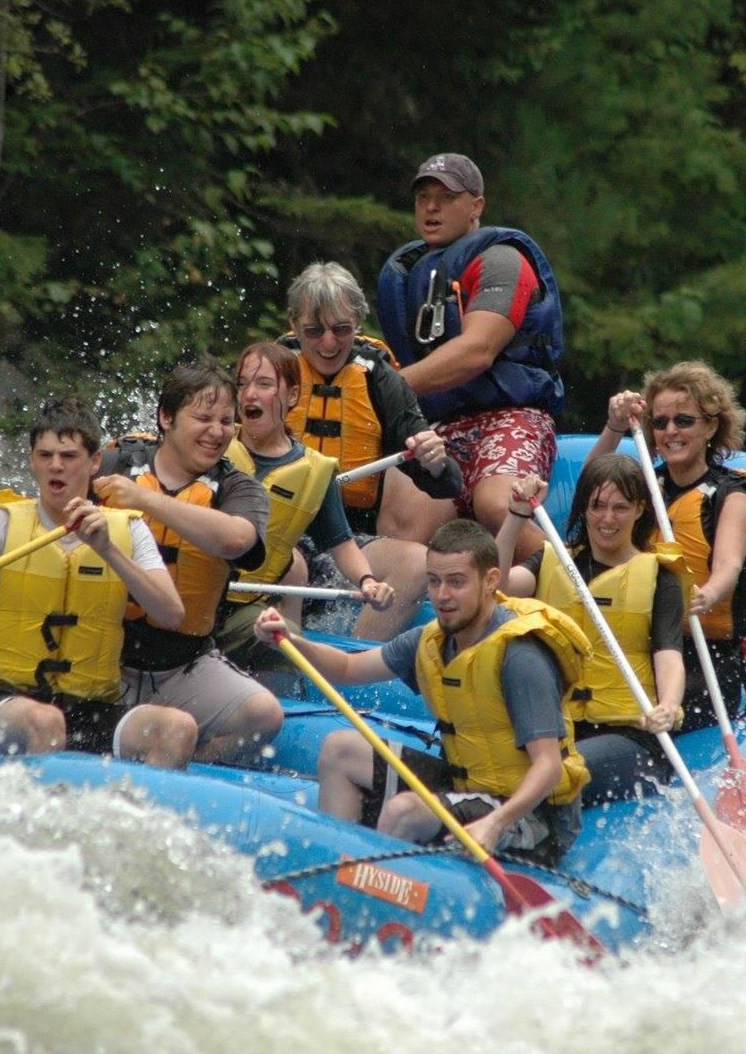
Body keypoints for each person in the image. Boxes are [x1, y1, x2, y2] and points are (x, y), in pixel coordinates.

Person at [0, 396, 198, 768]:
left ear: (94, 462)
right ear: (32, 460)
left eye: (68, 456)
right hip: (5, 705)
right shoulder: (0, 524)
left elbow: (171, 613)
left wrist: (108, 551)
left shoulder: (125, 529)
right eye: (45, 455)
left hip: (93, 705)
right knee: (46, 722)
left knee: (178, 727)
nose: (55, 466)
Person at [255, 519, 591, 864]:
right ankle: (334, 869)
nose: (442, 595)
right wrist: (289, 640)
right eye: (434, 581)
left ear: (491, 581)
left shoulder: (521, 657)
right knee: (340, 749)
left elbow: (549, 767)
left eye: (457, 582)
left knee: (404, 813)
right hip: (468, 785)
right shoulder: (431, 640)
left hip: (532, 816)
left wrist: (494, 823)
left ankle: (372, 890)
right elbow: (346, 668)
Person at [93, 360, 285, 762]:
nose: (217, 432)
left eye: (226, 421)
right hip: (100, 656)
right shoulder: (112, 466)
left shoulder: (239, 489)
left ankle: (184, 757)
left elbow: (236, 540)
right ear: (166, 417)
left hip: (183, 666)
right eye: (203, 418)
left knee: (264, 715)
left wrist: (146, 500)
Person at [375, 153, 564, 560]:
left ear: (476, 205)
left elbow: (477, 351)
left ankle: (577, 580)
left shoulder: (502, 260)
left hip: (513, 414)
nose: (431, 207)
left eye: (446, 197)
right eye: (423, 197)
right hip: (439, 425)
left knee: (496, 504)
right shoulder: (408, 273)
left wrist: (387, 387)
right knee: (401, 530)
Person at [590, 362, 746, 730]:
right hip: (646, 648)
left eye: (684, 420)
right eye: (660, 423)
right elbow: (592, 491)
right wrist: (615, 427)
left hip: (709, 656)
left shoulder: (732, 495)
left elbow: (729, 564)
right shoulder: (646, 484)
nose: (670, 431)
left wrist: (707, 594)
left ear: (711, 425)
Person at [495, 457, 686, 803]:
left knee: (550, 778)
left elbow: (669, 653)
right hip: (553, 730)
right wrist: (515, 516)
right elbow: (497, 586)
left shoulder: (660, 576)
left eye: (620, 508)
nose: (607, 519)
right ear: (584, 507)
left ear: (640, 509)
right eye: (597, 506)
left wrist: (670, 705)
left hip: (629, 735)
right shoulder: (554, 561)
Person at [282, 261, 461, 626]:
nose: (328, 343)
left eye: (341, 329)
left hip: (348, 537)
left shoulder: (381, 380)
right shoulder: (270, 371)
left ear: (358, 323)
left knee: (416, 562)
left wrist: (434, 460)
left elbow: (447, 483)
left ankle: (351, 669)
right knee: (290, 566)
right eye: (314, 331)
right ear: (294, 325)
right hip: (280, 529)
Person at [216, 340, 398, 665]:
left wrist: (367, 581)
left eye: (264, 384)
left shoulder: (315, 471)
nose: (249, 395)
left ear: (292, 396)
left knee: (285, 638)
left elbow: (341, 543)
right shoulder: (213, 442)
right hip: (190, 593)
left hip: (246, 607)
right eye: (242, 384)